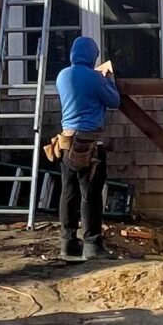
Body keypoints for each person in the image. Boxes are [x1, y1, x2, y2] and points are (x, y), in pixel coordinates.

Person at [52, 33, 120, 261]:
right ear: (92, 56)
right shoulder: (94, 78)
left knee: (68, 192)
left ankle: (68, 243)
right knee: (90, 194)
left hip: (66, 141)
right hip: (88, 143)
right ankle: (92, 244)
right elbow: (114, 101)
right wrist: (108, 79)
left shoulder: (62, 75)